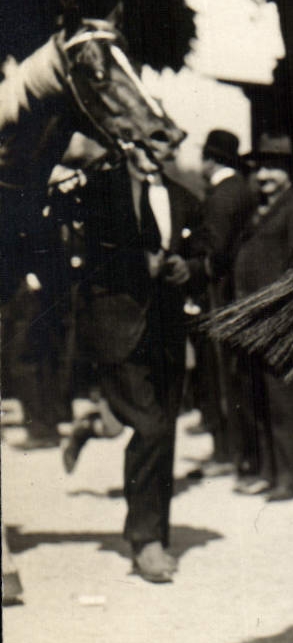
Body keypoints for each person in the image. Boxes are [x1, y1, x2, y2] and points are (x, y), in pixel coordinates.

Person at [66, 130, 204, 581]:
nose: (163, 146)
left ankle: (155, 531)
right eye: (153, 138)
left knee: (163, 431)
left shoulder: (183, 196)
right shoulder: (102, 190)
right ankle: (144, 540)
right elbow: (87, 250)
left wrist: (191, 268)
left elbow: (209, 252)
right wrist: (133, 263)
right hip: (118, 327)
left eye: (169, 140)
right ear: (131, 141)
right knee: (152, 426)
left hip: (165, 331)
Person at [232, 136, 293, 500]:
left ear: (288, 172)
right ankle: (268, 470)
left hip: (278, 323)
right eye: (260, 168)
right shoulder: (261, 208)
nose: (264, 176)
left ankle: (290, 478)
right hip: (255, 323)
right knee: (260, 400)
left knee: (283, 403)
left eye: (273, 169)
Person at [195, 129, 255, 474]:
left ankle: (226, 453)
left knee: (218, 375)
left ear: (210, 158)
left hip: (218, 294)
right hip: (239, 290)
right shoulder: (243, 191)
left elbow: (214, 252)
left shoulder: (220, 196)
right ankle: (237, 450)